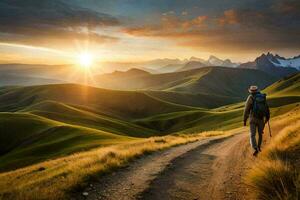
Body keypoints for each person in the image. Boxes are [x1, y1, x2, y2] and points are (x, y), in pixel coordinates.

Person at [243, 85, 270, 156]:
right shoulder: (262, 97)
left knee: (252, 134)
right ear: (257, 90)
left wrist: (244, 120)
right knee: (260, 134)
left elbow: (246, 110)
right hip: (261, 118)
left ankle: (255, 148)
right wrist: (267, 117)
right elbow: (266, 107)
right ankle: (259, 147)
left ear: (251, 91)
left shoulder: (250, 97)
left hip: (253, 118)